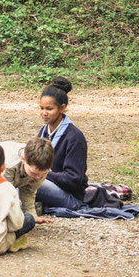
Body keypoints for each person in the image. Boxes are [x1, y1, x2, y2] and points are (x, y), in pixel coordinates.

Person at [36, 76, 88, 210]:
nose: (44, 113)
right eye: (41, 108)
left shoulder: (74, 137)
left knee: (31, 182)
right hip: (47, 183)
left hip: (71, 196)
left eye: (49, 108)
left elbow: (73, 179)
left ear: (62, 108)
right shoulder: (44, 131)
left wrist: (43, 173)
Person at [3, 137, 54, 224]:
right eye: (34, 173)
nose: (38, 178)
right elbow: (3, 195)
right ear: (23, 160)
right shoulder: (8, 165)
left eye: (42, 174)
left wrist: (32, 216)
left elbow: (29, 191)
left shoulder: (40, 166)